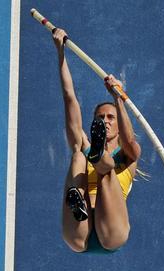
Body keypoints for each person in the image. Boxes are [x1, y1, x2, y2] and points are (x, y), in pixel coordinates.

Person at [52, 28, 142, 253]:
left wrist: (118, 98)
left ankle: (98, 162)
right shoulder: (85, 146)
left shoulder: (128, 155)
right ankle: (77, 199)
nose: (105, 121)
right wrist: (61, 53)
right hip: (78, 231)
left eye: (110, 117)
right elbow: (69, 97)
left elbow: (129, 139)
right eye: (100, 118)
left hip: (111, 230)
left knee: (106, 169)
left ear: (119, 124)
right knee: (77, 155)